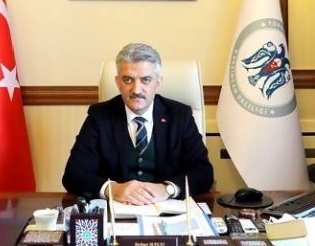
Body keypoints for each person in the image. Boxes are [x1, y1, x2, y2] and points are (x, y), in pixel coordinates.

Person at [62, 43, 213, 205]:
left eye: (145, 80)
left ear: (158, 82)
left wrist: (167, 189)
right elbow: (74, 174)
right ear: (117, 82)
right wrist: (112, 189)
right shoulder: (99, 117)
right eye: (128, 80)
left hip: (166, 210)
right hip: (116, 210)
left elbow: (203, 172)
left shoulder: (180, 116)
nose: (136, 90)